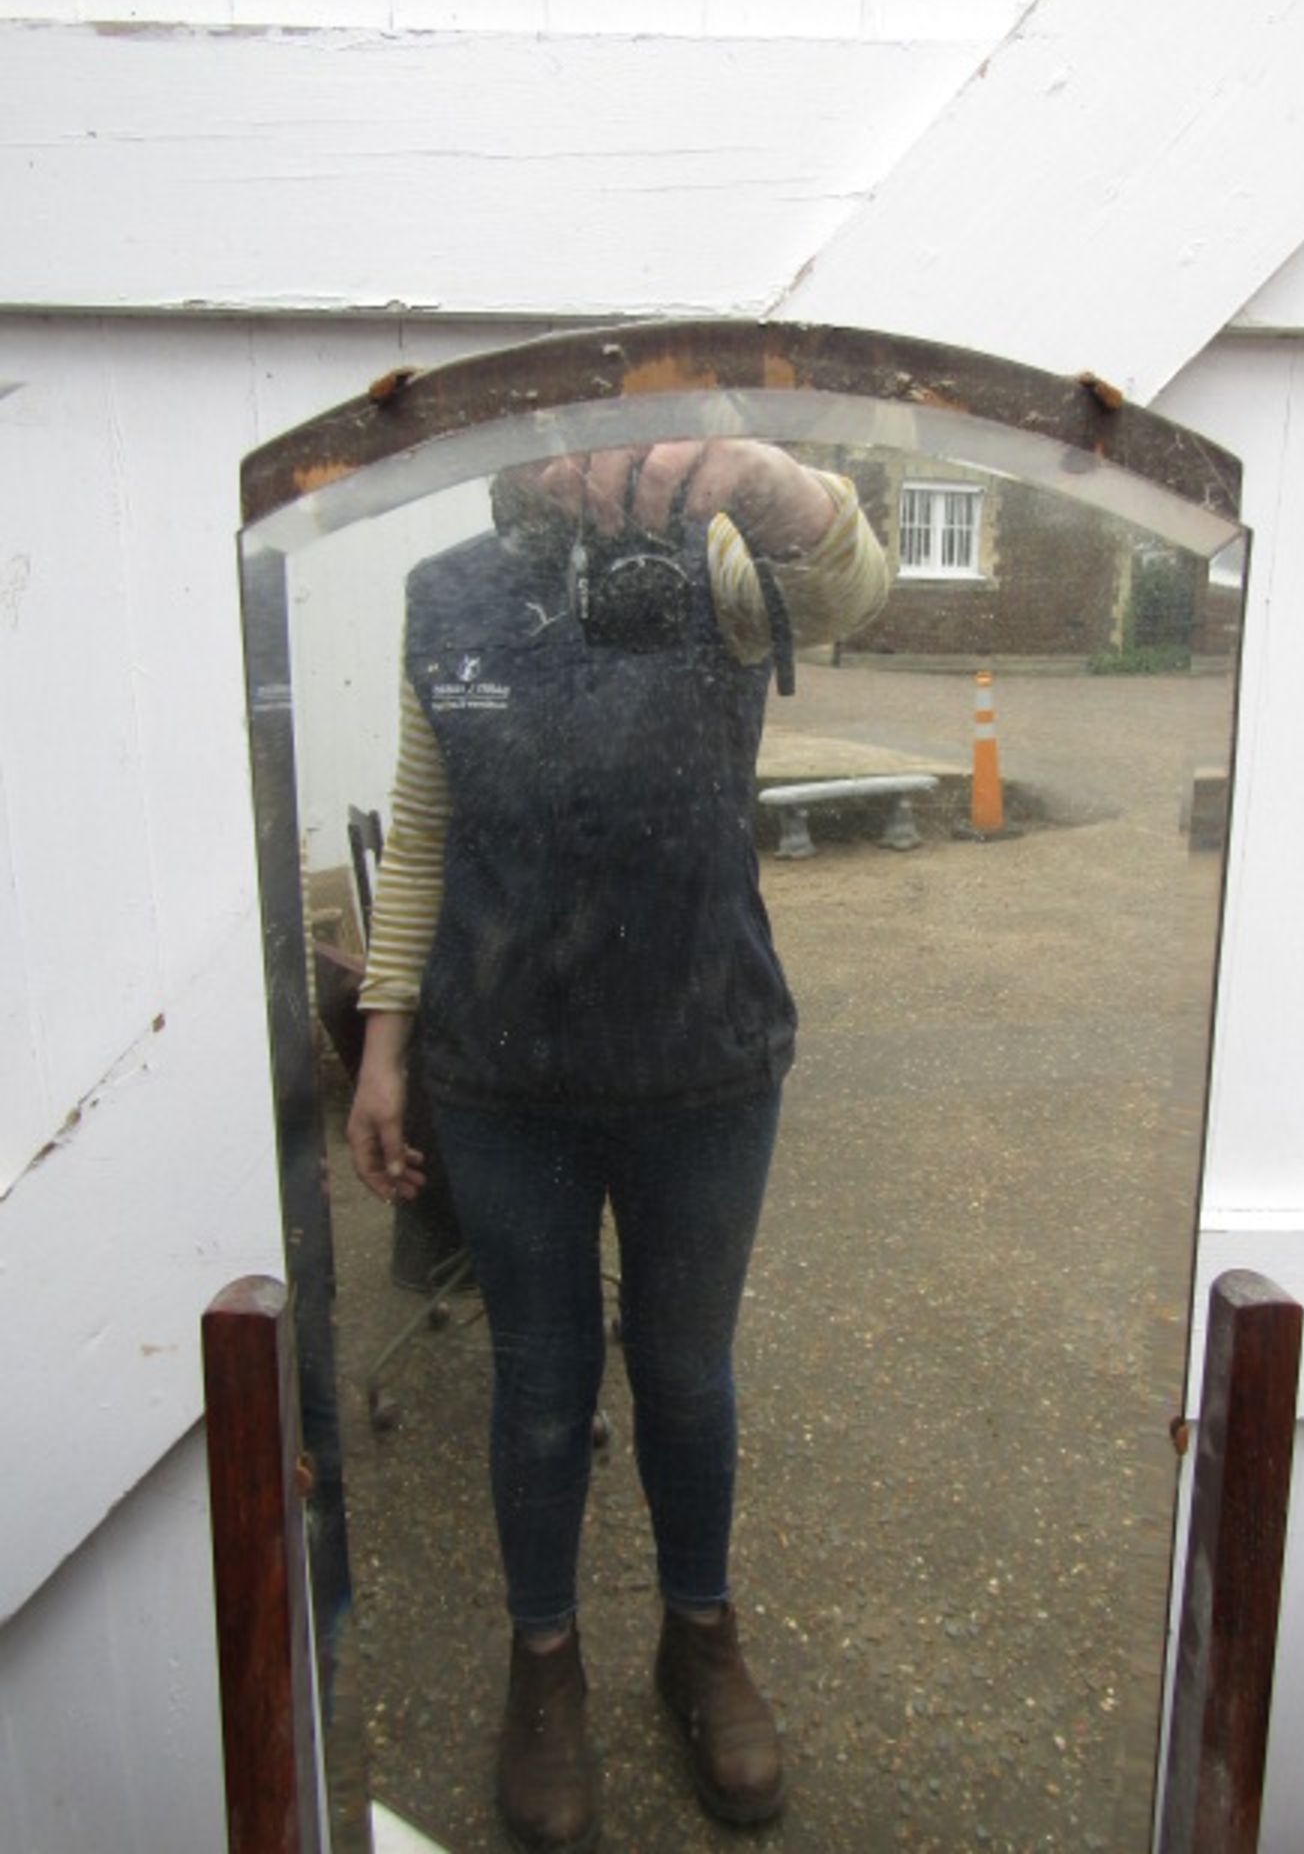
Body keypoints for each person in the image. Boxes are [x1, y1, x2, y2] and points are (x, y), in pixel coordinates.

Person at [347, 438, 888, 1850]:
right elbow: (423, 829)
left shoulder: (713, 564)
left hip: (704, 1056)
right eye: (545, 428)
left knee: (687, 1375)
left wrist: (761, 480)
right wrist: (385, 1048)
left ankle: (697, 1639)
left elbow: (852, 587)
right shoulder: (444, 594)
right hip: (501, 1073)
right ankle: (546, 1664)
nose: (575, 458)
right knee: (537, 1387)